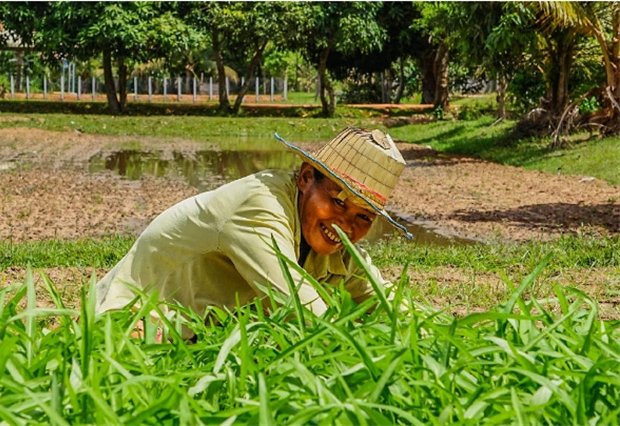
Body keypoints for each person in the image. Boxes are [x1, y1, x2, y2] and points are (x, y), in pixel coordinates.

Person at [94, 127, 412, 338]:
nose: (345, 224)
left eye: (364, 216)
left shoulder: (335, 243)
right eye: (337, 201)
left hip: (201, 338)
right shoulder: (261, 206)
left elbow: (387, 302)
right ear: (305, 178)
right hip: (134, 324)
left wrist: (429, 343)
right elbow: (302, 310)